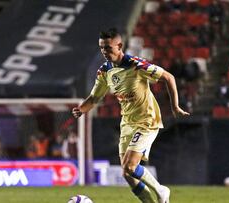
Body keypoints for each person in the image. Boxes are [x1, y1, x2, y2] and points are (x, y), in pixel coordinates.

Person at [72, 28, 189, 203]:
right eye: (102, 48)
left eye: (108, 48)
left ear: (119, 46)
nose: (104, 51)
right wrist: (82, 109)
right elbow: (94, 97)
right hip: (127, 123)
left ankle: (161, 190)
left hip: (147, 120)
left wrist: (175, 106)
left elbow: (168, 77)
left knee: (131, 166)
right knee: (127, 174)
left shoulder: (136, 65)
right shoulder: (105, 71)